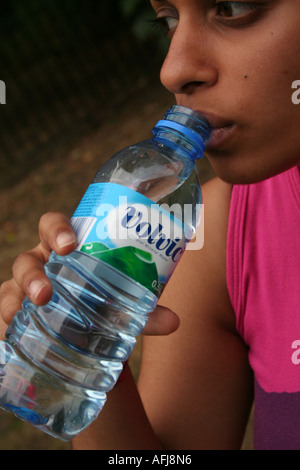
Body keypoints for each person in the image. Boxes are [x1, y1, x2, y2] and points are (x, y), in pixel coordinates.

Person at [1, 0, 300, 450]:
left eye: (234, 7)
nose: (173, 69)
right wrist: (83, 341)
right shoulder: (217, 236)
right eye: (168, 21)